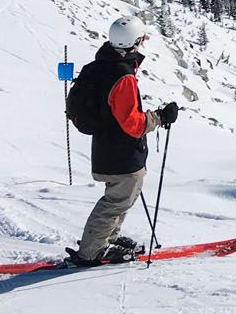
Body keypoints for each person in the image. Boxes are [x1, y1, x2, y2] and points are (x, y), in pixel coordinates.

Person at [68, 13, 179, 266]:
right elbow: (133, 124)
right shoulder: (123, 77)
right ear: (135, 42)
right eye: (141, 39)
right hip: (121, 153)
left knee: (120, 200)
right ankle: (91, 251)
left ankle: (105, 240)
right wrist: (160, 117)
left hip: (107, 148)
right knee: (115, 203)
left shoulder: (101, 65)